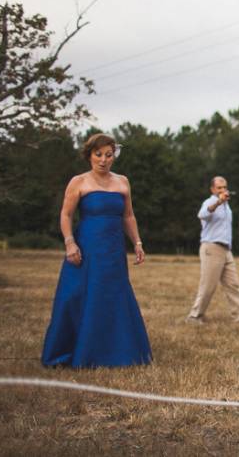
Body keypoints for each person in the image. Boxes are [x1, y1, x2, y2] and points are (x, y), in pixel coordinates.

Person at [42, 133, 152, 368]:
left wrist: (137, 242)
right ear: (89, 155)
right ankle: (75, 351)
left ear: (114, 156)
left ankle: (117, 352)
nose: (103, 160)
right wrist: (70, 242)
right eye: (98, 154)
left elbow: (128, 215)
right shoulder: (79, 182)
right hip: (86, 247)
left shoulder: (122, 182)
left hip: (113, 249)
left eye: (108, 155)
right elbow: (66, 214)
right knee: (78, 296)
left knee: (112, 295)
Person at [186, 177, 239, 324]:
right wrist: (218, 201)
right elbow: (202, 214)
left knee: (233, 284)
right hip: (211, 247)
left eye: (224, 187)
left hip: (226, 249)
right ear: (212, 189)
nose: (223, 190)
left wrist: (222, 202)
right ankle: (194, 316)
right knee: (208, 285)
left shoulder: (226, 207)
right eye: (219, 188)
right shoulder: (210, 202)